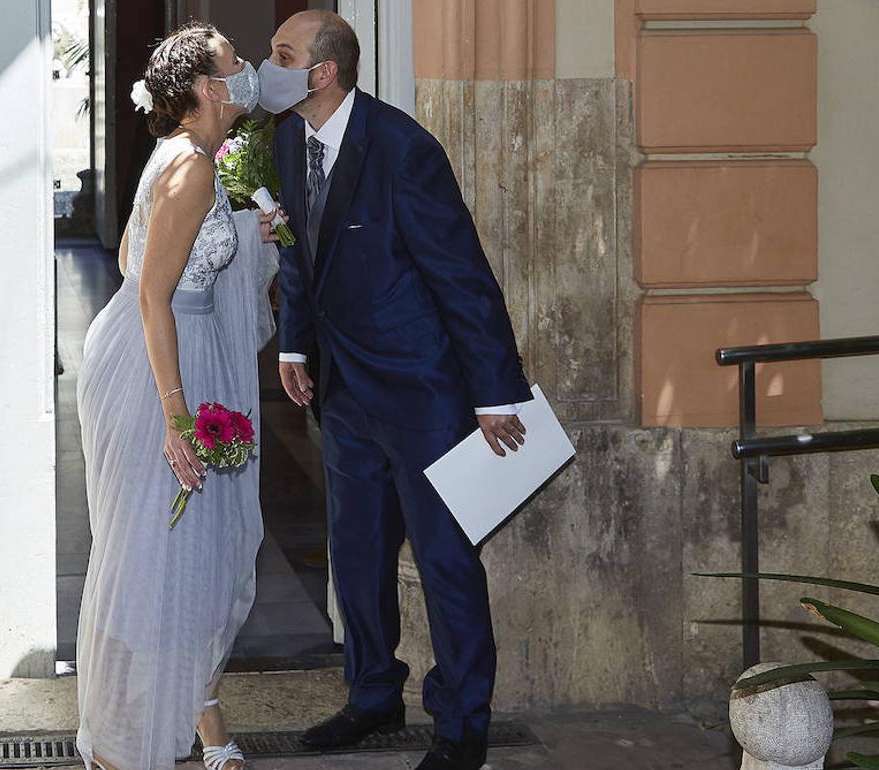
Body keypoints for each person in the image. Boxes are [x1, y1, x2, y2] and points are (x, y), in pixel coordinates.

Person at [266, 11, 532, 770]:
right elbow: (298, 250)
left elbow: (461, 275)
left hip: (424, 394)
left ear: (323, 72)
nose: (269, 65)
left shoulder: (403, 148)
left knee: (446, 560)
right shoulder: (289, 138)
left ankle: (462, 726)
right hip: (342, 391)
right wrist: (293, 342)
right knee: (356, 555)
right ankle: (373, 695)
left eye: (284, 55)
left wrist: (495, 393)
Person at [74, 22, 279, 770]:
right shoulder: (191, 168)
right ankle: (123, 751)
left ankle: (200, 728)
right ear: (204, 88)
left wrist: (247, 235)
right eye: (235, 62)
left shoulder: (188, 157)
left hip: (152, 358)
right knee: (158, 565)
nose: (249, 69)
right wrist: (176, 415)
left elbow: (133, 254)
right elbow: (154, 293)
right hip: (160, 372)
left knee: (170, 557)